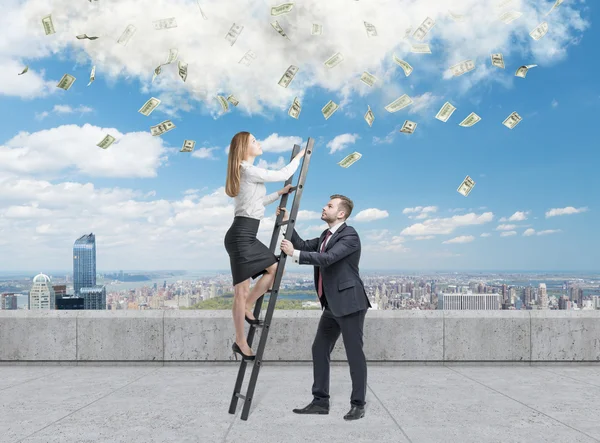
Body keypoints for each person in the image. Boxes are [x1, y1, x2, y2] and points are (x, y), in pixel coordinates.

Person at [277, 195, 372, 421]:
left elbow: (327, 258)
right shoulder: (325, 236)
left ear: (341, 214)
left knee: (354, 355)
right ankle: (320, 401)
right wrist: (287, 222)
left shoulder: (350, 235)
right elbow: (301, 245)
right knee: (319, 349)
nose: (324, 207)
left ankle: (358, 404)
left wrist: (294, 254)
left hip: (350, 304)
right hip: (331, 305)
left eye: (329, 205)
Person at [224, 131, 306, 361]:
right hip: (241, 236)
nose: (258, 143)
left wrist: (279, 194)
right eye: (253, 141)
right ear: (243, 147)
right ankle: (240, 342)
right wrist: (300, 156)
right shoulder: (248, 169)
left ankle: (249, 307)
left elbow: (256, 202)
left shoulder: (245, 172)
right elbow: (283, 173)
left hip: (245, 234)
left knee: (274, 269)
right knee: (240, 292)